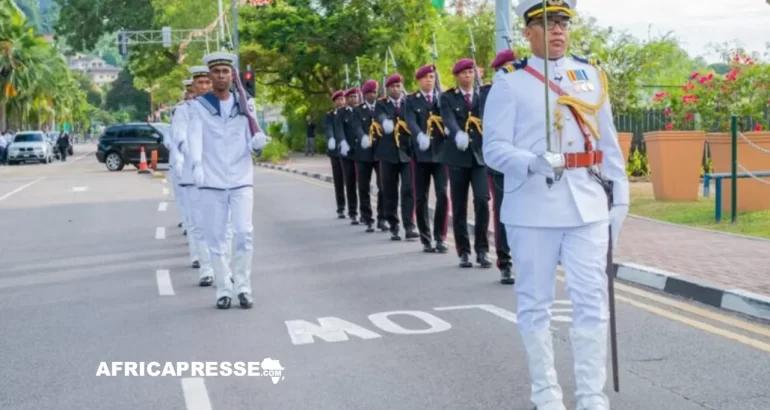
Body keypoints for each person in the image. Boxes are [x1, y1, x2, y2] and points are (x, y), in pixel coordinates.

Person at [482, 0, 630, 409]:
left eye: (563, 22)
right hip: (532, 209)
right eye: (547, 23)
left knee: (592, 301)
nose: (558, 30)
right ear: (529, 33)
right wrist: (530, 162)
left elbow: (608, 142)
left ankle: (591, 396)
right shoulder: (510, 82)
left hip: (587, 205)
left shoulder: (591, 75)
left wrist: (620, 199)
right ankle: (546, 395)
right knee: (535, 304)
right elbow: (492, 148)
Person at [187, 52, 269, 310]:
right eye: (217, 71)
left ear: (232, 75)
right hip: (211, 180)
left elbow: (253, 136)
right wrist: (197, 165)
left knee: (244, 233)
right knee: (217, 238)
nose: (221, 76)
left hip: (241, 178)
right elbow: (195, 138)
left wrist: (258, 145)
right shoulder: (199, 107)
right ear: (210, 75)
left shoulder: (245, 104)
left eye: (226, 71)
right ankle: (223, 288)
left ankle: (243, 286)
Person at [440, 58, 492, 269]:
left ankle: (482, 249)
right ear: (457, 76)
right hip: (457, 156)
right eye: (463, 73)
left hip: (479, 156)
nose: (468, 76)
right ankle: (463, 250)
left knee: (482, 201)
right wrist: (456, 133)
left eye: (471, 72)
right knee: (459, 205)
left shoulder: (482, 94)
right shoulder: (448, 97)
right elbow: (448, 119)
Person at [173, 68, 215, 286]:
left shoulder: (221, 107)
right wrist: (189, 153)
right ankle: (206, 268)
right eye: (201, 83)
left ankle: (222, 267)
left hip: (217, 174)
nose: (205, 86)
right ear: (193, 86)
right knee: (199, 224)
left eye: (208, 82)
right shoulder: (184, 110)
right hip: (192, 173)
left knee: (220, 227)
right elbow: (179, 135)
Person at [479, 49, 517, 285]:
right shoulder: (487, 92)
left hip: (528, 162)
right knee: (504, 214)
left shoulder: (528, 88)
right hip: (502, 163)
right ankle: (505, 263)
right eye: (508, 68)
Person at [404, 64, 449, 253]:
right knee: (421, 197)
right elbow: (410, 121)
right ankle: (426, 238)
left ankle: (440, 237)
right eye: (425, 77)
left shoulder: (442, 98)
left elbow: (449, 116)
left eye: (432, 77)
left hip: (440, 154)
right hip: (420, 156)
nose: (429, 80)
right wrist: (419, 135)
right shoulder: (411, 100)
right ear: (419, 80)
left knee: (442, 195)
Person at [374, 73, 418, 241]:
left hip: (406, 153)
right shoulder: (381, 104)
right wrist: (385, 122)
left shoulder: (408, 102)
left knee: (408, 189)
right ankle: (393, 224)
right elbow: (380, 115)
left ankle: (409, 226)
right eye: (393, 86)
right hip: (388, 154)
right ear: (387, 89)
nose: (396, 89)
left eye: (399, 86)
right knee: (389, 190)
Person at [353, 79, 388, 233]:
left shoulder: (382, 107)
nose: (372, 95)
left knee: (383, 186)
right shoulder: (358, 110)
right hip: (363, 153)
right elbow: (357, 127)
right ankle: (367, 218)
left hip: (380, 152)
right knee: (363, 187)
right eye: (369, 93)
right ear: (364, 94)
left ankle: (382, 218)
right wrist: (363, 137)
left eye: (374, 92)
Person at [335, 88, 361, 224]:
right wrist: (342, 141)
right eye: (350, 97)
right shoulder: (341, 113)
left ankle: (364, 212)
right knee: (350, 182)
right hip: (348, 153)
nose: (353, 99)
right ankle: (353, 212)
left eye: (355, 96)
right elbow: (339, 129)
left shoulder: (363, 110)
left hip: (362, 152)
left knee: (363, 184)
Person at [172, 79, 195, 235]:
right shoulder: (180, 111)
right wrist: (179, 161)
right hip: (185, 162)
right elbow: (177, 139)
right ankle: (198, 256)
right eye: (190, 92)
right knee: (188, 204)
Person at [325, 91, 347, 219]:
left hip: (349, 151)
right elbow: (328, 127)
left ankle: (353, 208)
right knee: (339, 180)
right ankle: (341, 207)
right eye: (338, 100)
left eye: (342, 99)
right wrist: (331, 138)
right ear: (334, 102)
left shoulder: (349, 112)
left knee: (351, 181)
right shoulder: (330, 115)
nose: (340, 101)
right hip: (336, 151)